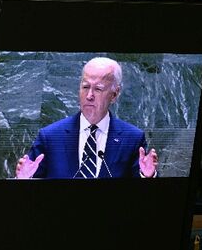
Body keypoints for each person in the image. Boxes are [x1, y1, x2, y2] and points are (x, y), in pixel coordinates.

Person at [15, 57, 158, 180]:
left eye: (98, 89)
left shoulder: (132, 138)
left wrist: (148, 176)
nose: (89, 95)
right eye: (85, 87)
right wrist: (23, 179)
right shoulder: (51, 137)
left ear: (114, 94)